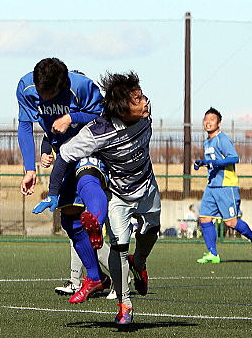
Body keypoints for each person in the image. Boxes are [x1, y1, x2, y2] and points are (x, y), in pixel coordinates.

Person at [48, 71, 159, 325]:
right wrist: (53, 193)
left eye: (142, 96)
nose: (145, 101)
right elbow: (65, 154)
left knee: (150, 233)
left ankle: (140, 262)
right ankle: (124, 305)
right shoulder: (98, 132)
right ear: (122, 108)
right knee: (119, 247)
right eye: (138, 99)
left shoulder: (145, 113)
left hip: (147, 188)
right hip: (118, 195)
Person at [17, 58, 110, 305]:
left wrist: (72, 117)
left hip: (92, 147)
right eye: (41, 93)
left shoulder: (81, 86)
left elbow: (104, 117)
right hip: (64, 155)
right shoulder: (25, 88)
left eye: (49, 94)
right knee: (69, 219)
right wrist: (30, 168)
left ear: (62, 85)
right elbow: (25, 126)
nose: (43, 99)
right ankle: (96, 278)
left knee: (87, 179)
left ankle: (96, 221)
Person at [194, 108, 252, 264]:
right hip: (212, 186)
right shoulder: (207, 141)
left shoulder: (222, 139)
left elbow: (234, 158)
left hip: (226, 186)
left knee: (230, 222)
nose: (208, 122)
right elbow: (212, 161)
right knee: (204, 218)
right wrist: (203, 163)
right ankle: (213, 254)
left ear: (218, 123)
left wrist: (214, 162)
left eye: (212, 119)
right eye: (206, 119)